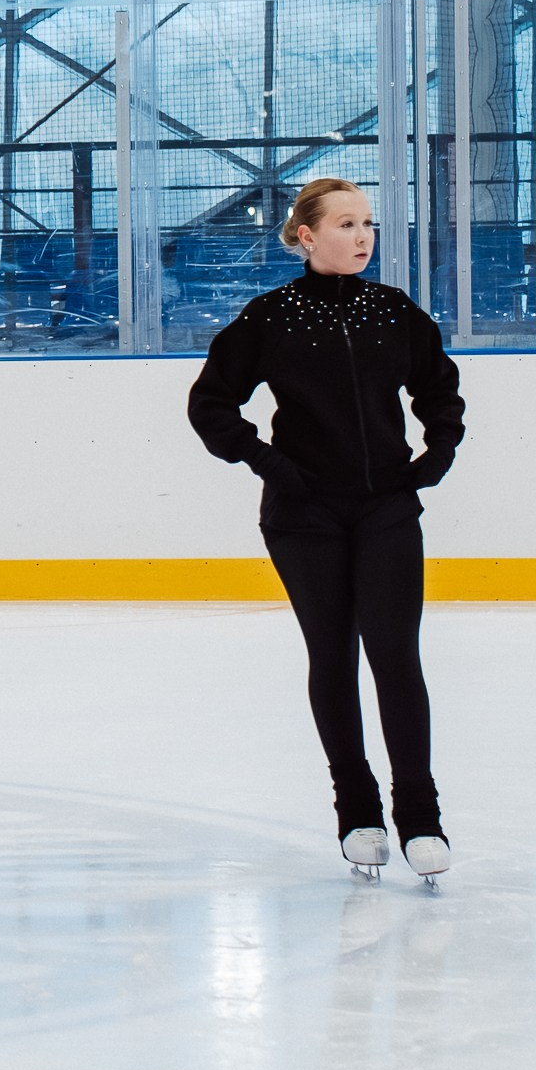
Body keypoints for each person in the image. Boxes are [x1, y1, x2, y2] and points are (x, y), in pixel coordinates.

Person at [185, 178, 466, 883]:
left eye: (368, 221)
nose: (364, 235)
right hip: (304, 514)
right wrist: (267, 461)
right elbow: (210, 401)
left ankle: (420, 814)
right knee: (333, 654)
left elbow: (438, 387)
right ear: (307, 236)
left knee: (396, 654)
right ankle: (357, 809)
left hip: (386, 508)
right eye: (347, 223)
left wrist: (436, 452)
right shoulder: (270, 318)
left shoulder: (393, 312)